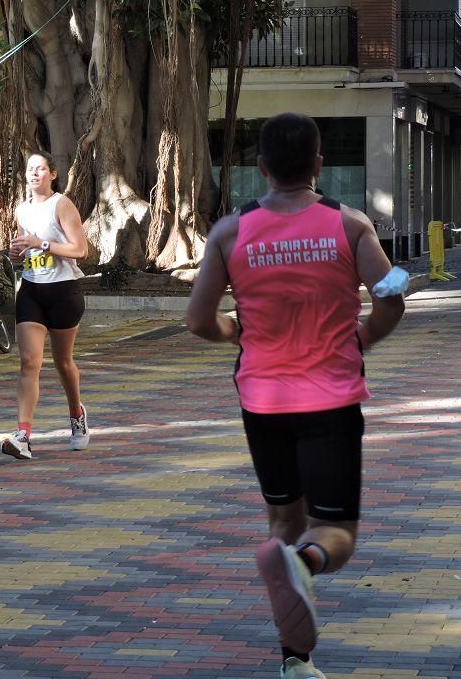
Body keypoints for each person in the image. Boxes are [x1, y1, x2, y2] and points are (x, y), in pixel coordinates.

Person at [186, 113, 405, 679]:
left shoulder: (230, 232)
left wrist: (235, 330)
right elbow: (391, 298)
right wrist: (364, 339)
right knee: (334, 535)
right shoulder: (350, 225)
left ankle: (295, 662)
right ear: (317, 164)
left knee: (283, 526)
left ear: (259, 168)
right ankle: (308, 565)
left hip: (262, 401)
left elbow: (197, 321)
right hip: (331, 399)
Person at [3, 151, 89, 461]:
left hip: (64, 292)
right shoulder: (21, 209)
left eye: (41, 169)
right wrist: (17, 253)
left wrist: (41, 243)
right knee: (29, 362)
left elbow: (80, 249)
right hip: (31, 290)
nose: (34, 174)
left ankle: (77, 415)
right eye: (30, 169)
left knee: (64, 363)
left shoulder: (61, 204)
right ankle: (23, 434)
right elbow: (25, 249)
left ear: (52, 174)